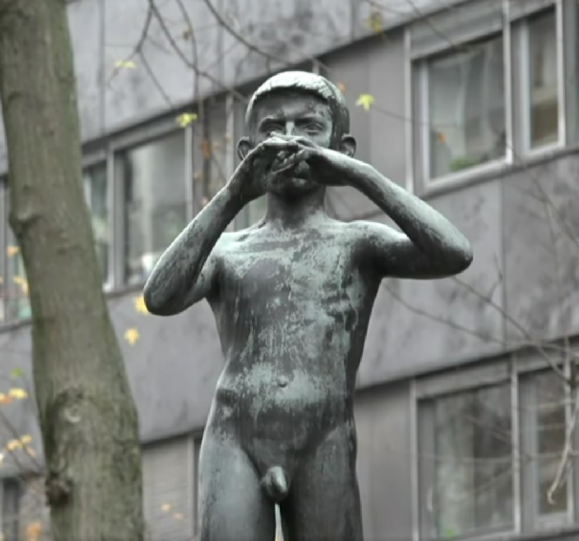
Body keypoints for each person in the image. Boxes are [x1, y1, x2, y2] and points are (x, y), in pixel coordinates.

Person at [142, 71, 474, 541]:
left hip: (325, 436)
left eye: (309, 127)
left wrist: (362, 178)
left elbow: (453, 252)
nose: (290, 141)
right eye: (273, 128)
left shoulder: (359, 243)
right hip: (235, 436)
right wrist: (235, 192)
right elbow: (160, 296)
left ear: (342, 147)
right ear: (247, 152)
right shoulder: (228, 251)